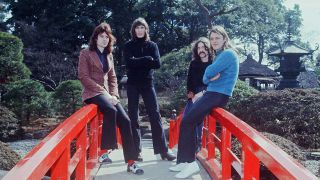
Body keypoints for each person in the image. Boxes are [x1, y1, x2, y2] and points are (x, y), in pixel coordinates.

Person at [170, 25, 239, 179]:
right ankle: (184, 161)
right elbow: (207, 76)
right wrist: (209, 76)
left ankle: (191, 163)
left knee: (188, 121)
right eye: (212, 38)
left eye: (217, 38)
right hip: (212, 93)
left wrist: (208, 76)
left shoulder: (228, 54)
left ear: (224, 39)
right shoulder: (220, 55)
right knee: (187, 121)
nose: (214, 41)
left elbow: (208, 73)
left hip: (217, 94)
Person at [78, 22, 143, 175]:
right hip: (92, 93)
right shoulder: (85, 53)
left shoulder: (109, 55)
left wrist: (114, 94)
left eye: (107, 37)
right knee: (110, 109)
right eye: (101, 37)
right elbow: (83, 77)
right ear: (95, 38)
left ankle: (131, 162)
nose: (104, 39)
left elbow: (113, 78)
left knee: (126, 121)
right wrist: (104, 93)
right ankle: (103, 152)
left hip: (108, 95)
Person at [123, 17, 176, 162]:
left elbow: (157, 64)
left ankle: (163, 151)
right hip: (132, 83)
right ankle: (136, 151)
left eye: (142, 28)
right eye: (137, 28)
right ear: (133, 30)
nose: (139, 30)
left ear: (146, 30)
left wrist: (138, 61)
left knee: (155, 115)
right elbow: (128, 63)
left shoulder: (152, 45)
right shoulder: (128, 46)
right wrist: (147, 60)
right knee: (133, 116)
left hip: (147, 83)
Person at [181, 37, 218, 155]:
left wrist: (201, 94)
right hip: (194, 93)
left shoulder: (214, 62)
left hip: (208, 93)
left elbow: (215, 82)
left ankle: (197, 148)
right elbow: (189, 80)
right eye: (199, 48)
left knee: (198, 120)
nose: (201, 50)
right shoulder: (194, 63)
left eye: (203, 47)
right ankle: (189, 148)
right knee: (186, 119)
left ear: (208, 48)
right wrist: (191, 94)